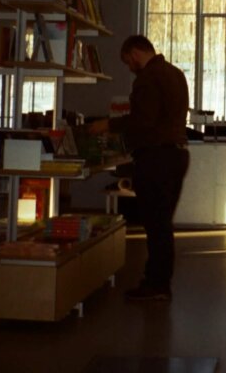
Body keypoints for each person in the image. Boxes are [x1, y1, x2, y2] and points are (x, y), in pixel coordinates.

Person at [89, 35, 190, 301]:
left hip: (156, 158)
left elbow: (142, 121)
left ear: (134, 53)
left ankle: (156, 285)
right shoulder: (175, 73)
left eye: (127, 61)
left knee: (155, 225)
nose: (129, 67)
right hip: (177, 155)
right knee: (162, 224)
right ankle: (159, 282)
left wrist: (107, 125)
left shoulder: (147, 78)